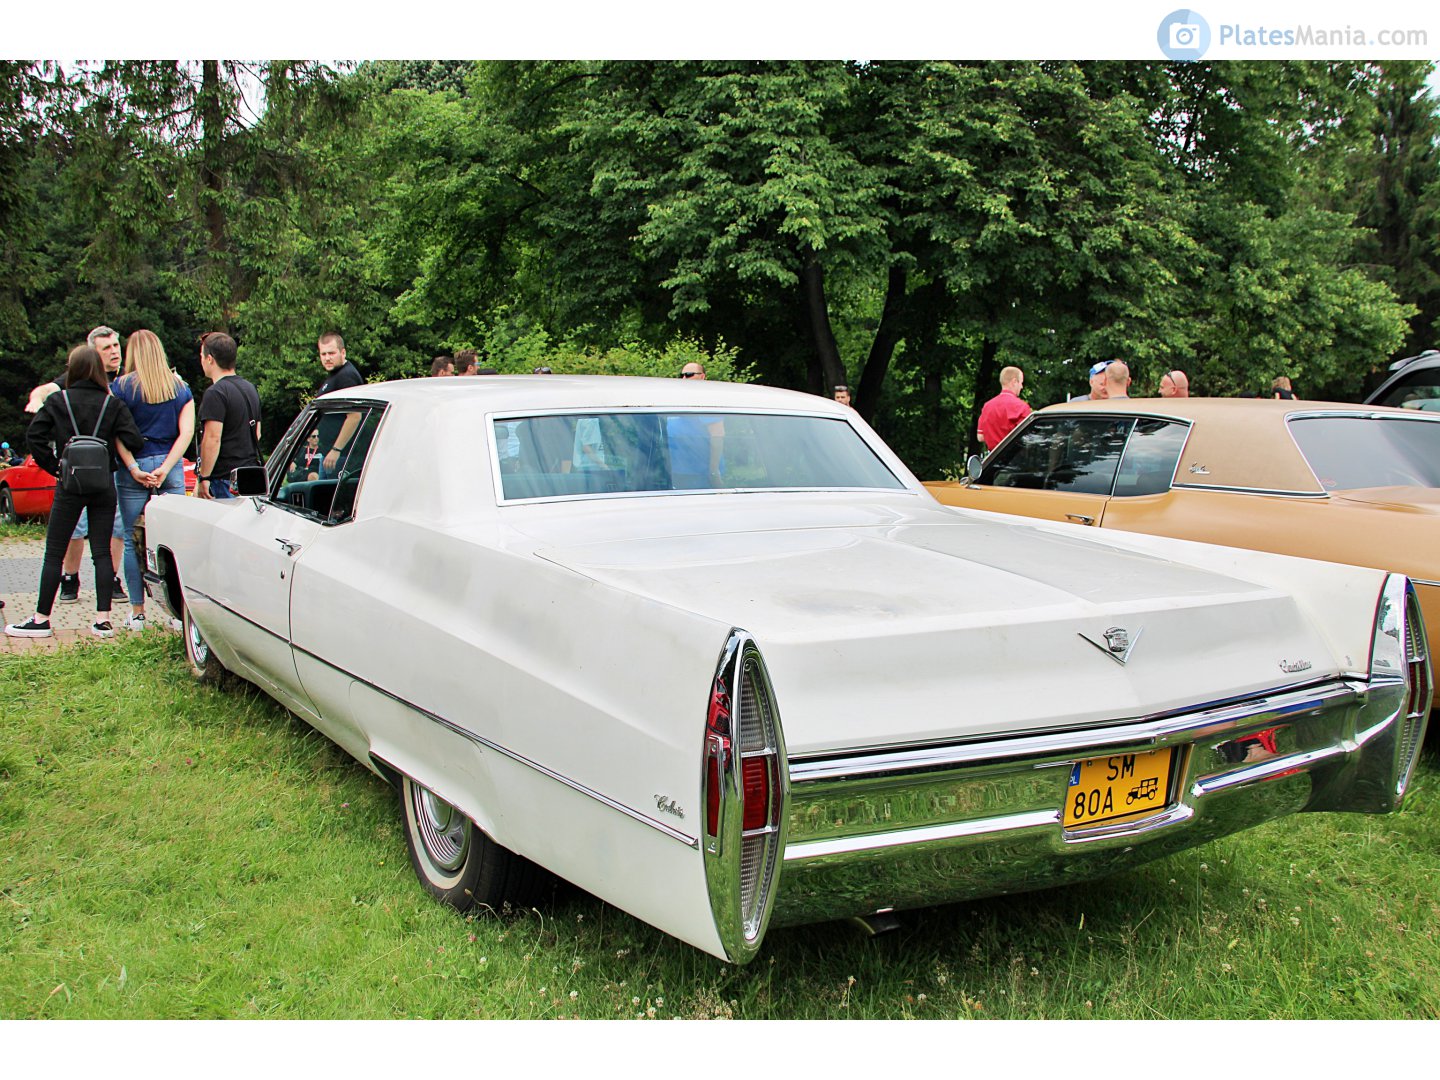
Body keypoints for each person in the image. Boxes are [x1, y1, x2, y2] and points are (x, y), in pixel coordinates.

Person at [6, 344, 143, 639]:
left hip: (70, 484)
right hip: (103, 484)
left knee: (54, 552)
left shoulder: (58, 401)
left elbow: (34, 436)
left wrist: (55, 466)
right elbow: (135, 440)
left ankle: (41, 618)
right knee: (102, 553)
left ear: (73, 369)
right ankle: (103, 619)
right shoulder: (113, 404)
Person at [28, 326, 130, 602]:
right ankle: (72, 579)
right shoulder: (73, 382)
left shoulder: (126, 377)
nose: (114, 352)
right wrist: (37, 398)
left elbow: (34, 436)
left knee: (116, 528)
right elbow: (47, 389)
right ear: (91, 356)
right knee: (77, 529)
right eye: (106, 348)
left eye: (116, 346)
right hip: (80, 470)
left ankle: (110, 582)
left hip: (111, 467)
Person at [109, 329, 195, 631]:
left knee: (134, 541)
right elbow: (186, 433)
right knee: (175, 541)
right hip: (169, 468)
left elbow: (115, 431)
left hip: (135, 467)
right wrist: (168, 466)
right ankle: (178, 613)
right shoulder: (180, 388)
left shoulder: (120, 388)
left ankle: (137, 611)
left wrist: (133, 467)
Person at [195, 333, 261, 500]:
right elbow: (257, 434)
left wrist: (204, 477)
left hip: (225, 479)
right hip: (250, 475)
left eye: (202, 356)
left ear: (209, 359)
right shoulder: (250, 388)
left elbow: (212, 439)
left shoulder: (215, 393)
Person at [314, 332, 364, 474]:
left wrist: (336, 450)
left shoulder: (346, 377)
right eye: (323, 354)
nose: (327, 358)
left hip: (340, 457)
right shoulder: (336, 375)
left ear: (343, 352)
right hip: (330, 454)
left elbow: (354, 417)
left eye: (331, 353)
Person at [668, 362, 725, 487]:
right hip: (676, 471)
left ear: (702, 377)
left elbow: (717, 436)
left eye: (689, 375)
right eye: (682, 375)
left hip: (700, 474)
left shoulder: (708, 401)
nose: (684, 378)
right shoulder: (675, 399)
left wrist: (713, 471)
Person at [976, 366, 1031, 450]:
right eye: (1021, 383)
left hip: (993, 460)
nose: (1021, 387)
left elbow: (980, 437)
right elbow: (1028, 437)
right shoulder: (1021, 407)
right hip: (1015, 458)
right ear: (1014, 381)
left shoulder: (987, 406)